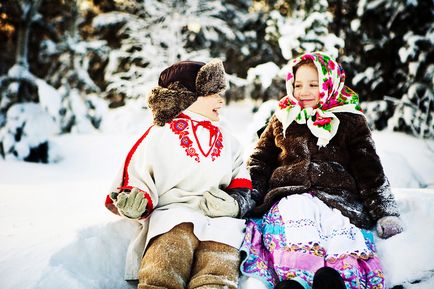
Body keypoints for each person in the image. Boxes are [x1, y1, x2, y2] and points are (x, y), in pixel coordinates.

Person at [239, 52, 404, 289]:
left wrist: (384, 211)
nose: (303, 91)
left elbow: (369, 170)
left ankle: (336, 280)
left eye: (313, 85)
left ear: (330, 84)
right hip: (289, 195)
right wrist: (249, 196)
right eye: (298, 85)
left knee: (338, 232)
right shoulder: (283, 118)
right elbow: (259, 162)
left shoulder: (350, 120)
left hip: (336, 198)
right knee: (297, 226)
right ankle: (296, 280)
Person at [104, 59, 256, 289]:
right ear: (187, 96)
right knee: (169, 249)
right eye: (212, 93)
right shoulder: (160, 134)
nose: (221, 100)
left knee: (221, 252)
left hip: (217, 217)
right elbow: (139, 173)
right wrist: (136, 201)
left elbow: (241, 180)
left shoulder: (228, 139)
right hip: (173, 214)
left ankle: (214, 284)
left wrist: (235, 205)